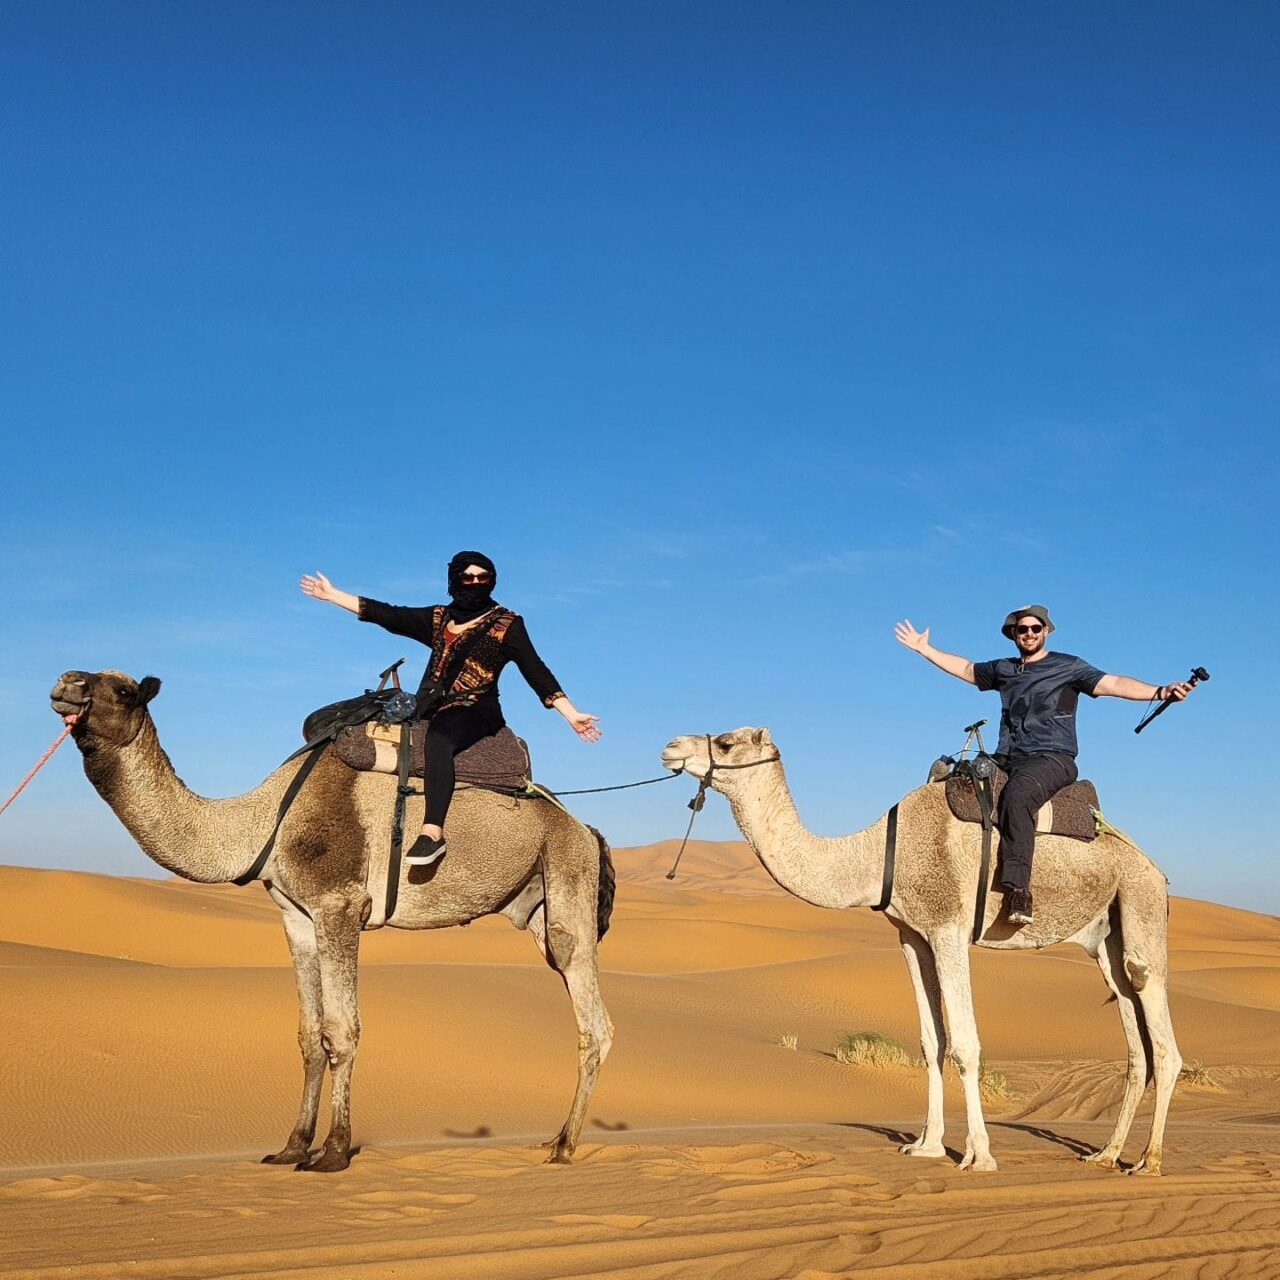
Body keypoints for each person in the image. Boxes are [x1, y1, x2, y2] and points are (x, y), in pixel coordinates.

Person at [894, 605, 1192, 925]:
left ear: (1046, 631)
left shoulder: (1069, 666)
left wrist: (1160, 691)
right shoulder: (1004, 669)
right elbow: (967, 669)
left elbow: (1114, 683)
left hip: (1052, 758)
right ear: (1014, 634)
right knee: (958, 777)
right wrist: (924, 649)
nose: (1030, 634)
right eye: (1023, 629)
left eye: (1036, 628)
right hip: (1008, 757)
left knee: (1018, 797)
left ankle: (1019, 890)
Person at [301, 552, 600, 866]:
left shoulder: (507, 624)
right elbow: (390, 615)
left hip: (476, 709)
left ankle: (432, 833)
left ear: (491, 580)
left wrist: (571, 714)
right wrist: (333, 595)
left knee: (439, 740)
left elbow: (535, 669)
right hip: (430, 706)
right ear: (455, 580)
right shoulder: (439, 618)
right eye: (467, 578)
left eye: (482, 578)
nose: (474, 584)